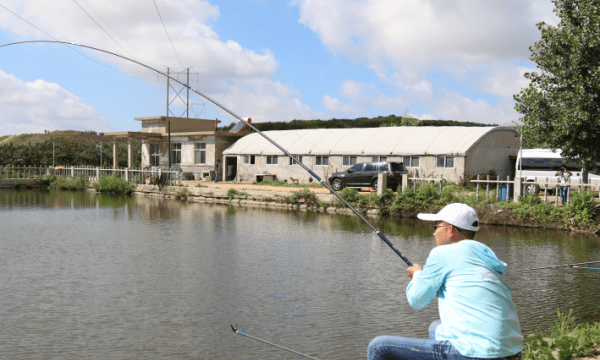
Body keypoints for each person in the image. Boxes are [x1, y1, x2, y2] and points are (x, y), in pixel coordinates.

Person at [368, 203, 523, 360]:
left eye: (437, 226)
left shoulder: (444, 253)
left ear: (451, 230)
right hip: (512, 352)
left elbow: (416, 300)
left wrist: (417, 276)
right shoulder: (487, 257)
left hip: (476, 354)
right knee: (436, 327)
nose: (434, 232)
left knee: (379, 347)